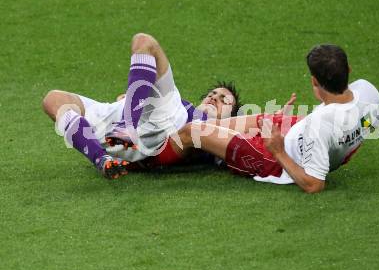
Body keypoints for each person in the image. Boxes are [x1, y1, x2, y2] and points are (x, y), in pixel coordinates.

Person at [172, 44, 379, 193]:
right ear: (348, 70)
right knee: (225, 125)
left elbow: (314, 185)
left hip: (271, 159)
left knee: (192, 132)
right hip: (295, 131)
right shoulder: (368, 92)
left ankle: (142, 158)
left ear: (314, 82)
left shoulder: (319, 125)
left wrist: (279, 151)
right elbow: (370, 124)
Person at [42, 33, 241, 179]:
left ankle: (125, 126)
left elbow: (233, 151)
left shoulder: (213, 130)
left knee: (144, 42)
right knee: (54, 100)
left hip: (158, 125)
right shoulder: (187, 108)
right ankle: (101, 158)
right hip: (120, 132)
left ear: (232, 116)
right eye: (212, 94)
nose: (215, 97)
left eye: (225, 100)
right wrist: (129, 100)